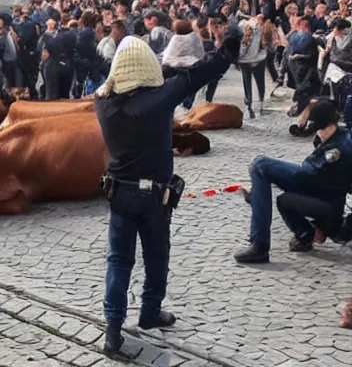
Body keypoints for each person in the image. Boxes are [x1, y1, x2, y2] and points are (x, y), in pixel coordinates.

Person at [94, 30, 242, 356]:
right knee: (157, 254)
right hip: (154, 195)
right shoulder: (158, 101)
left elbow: (151, 82)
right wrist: (224, 53)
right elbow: (194, 77)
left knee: (118, 261)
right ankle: (149, 312)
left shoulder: (102, 101)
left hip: (119, 192)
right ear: (149, 67)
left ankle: (113, 331)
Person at [235, 99, 352, 263]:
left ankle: (260, 245)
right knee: (279, 194)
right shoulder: (341, 135)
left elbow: (307, 171)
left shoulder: (336, 149)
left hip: (326, 203)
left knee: (261, 165)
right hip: (321, 190)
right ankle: (304, 233)